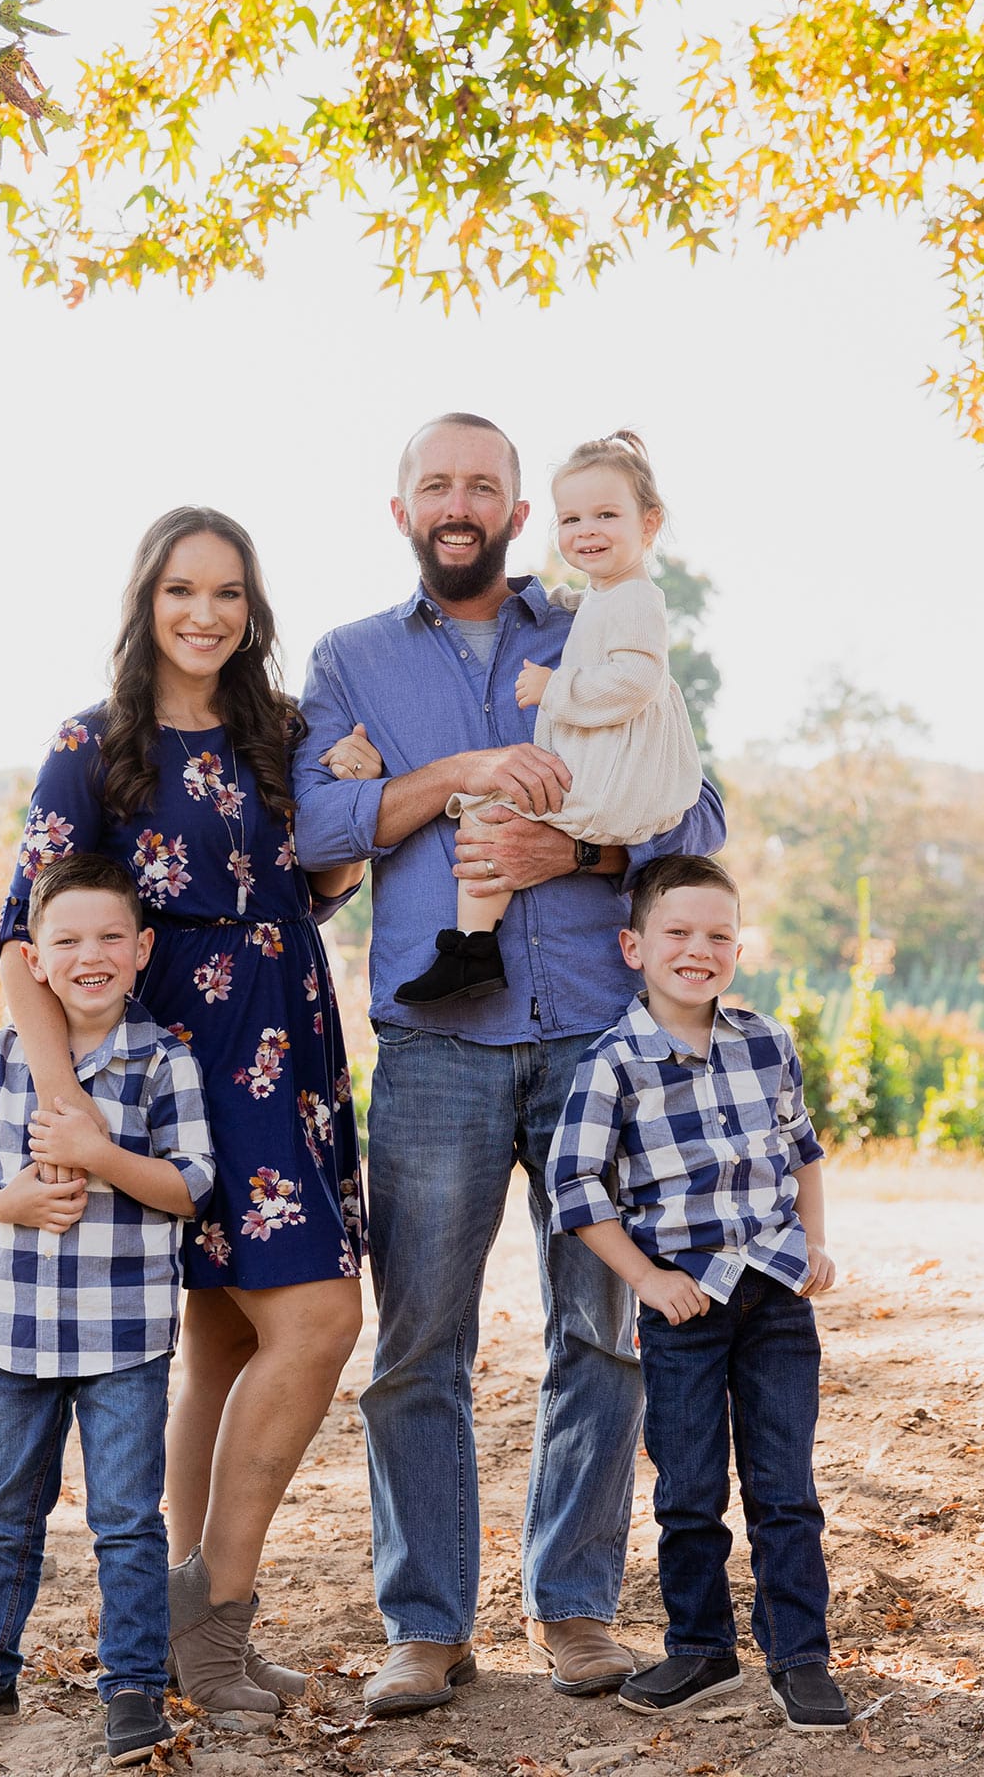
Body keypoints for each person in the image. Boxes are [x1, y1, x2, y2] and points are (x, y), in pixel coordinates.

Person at [292, 413, 727, 1716]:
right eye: (440, 483)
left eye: (486, 484)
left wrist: (581, 856)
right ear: (403, 509)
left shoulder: (603, 623)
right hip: (437, 1050)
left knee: (602, 1330)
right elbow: (316, 821)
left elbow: (696, 814)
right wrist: (460, 774)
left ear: (520, 511)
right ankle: (426, 1626)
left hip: (598, 1040)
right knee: (420, 1341)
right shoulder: (351, 659)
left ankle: (576, 1608)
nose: (461, 502)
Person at [0, 507, 367, 1715]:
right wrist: (73, 1109)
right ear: (145, 598)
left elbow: (312, 879)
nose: (205, 613)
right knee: (316, 1315)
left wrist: (352, 813)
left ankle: (169, 1625)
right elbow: (19, 940)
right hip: (179, 1067)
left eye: (229, 594)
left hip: (292, 1044)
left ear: (253, 612)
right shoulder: (93, 742)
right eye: (182, 589)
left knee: (225, 1337)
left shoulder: (280, 733)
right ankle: (213, 1616)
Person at [0, 855, 216, 1767]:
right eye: (67, 940)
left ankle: (133, 1687)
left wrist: (97, 1154)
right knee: (6, 1511)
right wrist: (8, 1203)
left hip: (125, 1335)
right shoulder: (2, 1055)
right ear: (33, 956)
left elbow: (191, 1187)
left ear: (142, 949)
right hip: (18, 1329)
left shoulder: (164, 1060)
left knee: (127, 1519)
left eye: (111, 937)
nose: (90, 955)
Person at [545, 853, 851, 1734]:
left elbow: (803, 1153)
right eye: (677, 932)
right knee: (687, 1486)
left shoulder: (767, 1041)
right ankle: (702, 1646)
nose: (699, 949)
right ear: (632, 945)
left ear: (739, 947)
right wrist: (647, 1279)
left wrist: (815, 1242)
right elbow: (578, 1192)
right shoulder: (613, 1064)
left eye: (718, 934)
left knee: (784, 1486)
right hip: (684, 1310)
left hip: (776, 1301)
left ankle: (801, 1657)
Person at [397, 430, 702, 1006]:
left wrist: (553, 687)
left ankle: (471, 951)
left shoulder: (638, 600)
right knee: (493, 811)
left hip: (614, 783)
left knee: (489, 809)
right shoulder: (611, 597)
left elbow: (636, 682)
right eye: (571, 519)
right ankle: (473, 948)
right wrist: (571, 604)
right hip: (610, 774)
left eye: (606, 514)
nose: (585, 531)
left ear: (650, 523)